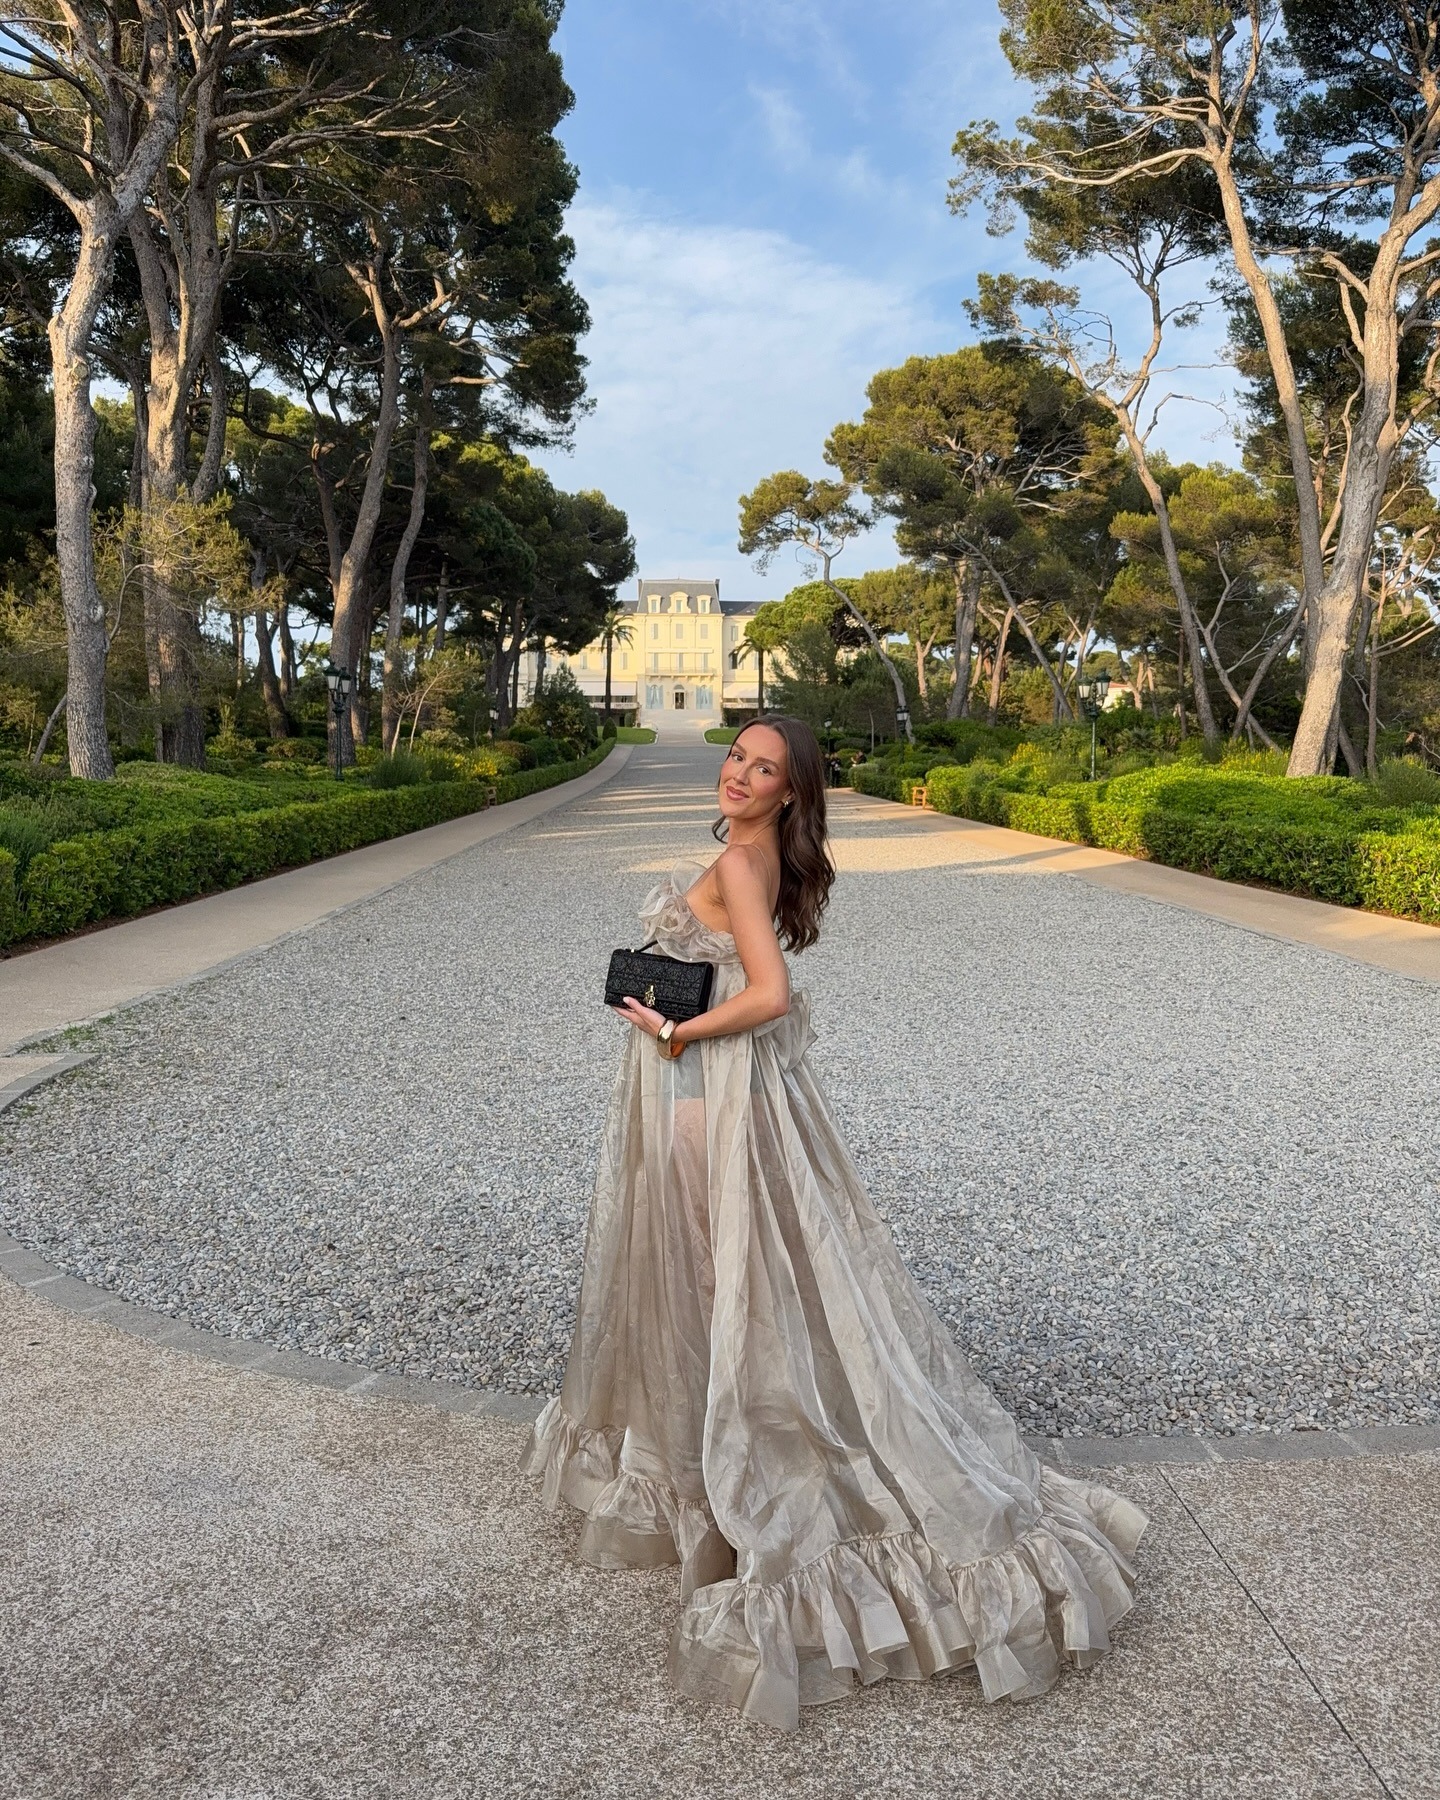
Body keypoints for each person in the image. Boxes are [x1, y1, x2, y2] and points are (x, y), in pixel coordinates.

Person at [523, 716, 1145, 1732]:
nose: (738, 774)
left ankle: (742, 1459)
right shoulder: (756, 855)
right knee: (739, 1278)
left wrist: (676, 1027)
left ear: (790, 793)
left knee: (715, 1279)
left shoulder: (742, 859)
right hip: (725, 1093)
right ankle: (725, 1442)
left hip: (706, 1100)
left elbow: (770, 993)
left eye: (763, 769)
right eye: (738, 756)